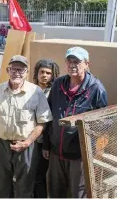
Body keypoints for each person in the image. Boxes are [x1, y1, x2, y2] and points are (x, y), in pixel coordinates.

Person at [43, 47, 108, 198]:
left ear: (86, 64)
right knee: (55, 192)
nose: (72, 65)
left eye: (77, 61)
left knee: (78, 194)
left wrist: (97, 154)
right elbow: (48, 116)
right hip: (55, 152)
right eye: (69, 61)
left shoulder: (96, 88)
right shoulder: (58, 84)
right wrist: (46, 144)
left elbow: (104, 123)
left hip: (79, 156)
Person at [0, 55, 52, 198]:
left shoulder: (36, 92)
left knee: (24, 187)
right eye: (14, 69)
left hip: (26, 147)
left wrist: (27, 142)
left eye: (21, 70)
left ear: (27, 72)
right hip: (2, 145)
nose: (17, 73)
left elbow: (43, 122)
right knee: (3, 186)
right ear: (7, 70)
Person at [32, 59, 60, 198]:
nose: (44, 75)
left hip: (44, 141)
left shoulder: (54, 92)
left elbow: (51, 120)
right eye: (41, 72)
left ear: (53, 75)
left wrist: (47, 145)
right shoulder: (30, 89)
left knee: (40, 176)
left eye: (48, 73)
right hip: (28, 139)